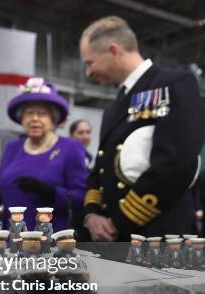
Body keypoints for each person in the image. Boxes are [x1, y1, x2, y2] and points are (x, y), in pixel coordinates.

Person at [80, 16, 204, 241]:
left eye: (90, 63)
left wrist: (119, 222)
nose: (88, 73)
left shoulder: (175, 83)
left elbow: (176, 163)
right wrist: (91, 214)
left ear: (114, 50)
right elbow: (100, 167)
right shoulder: (113, 107)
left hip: (161, 238)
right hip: (113, 238)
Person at [0, 77, 88, 232]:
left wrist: (51, 192)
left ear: (53, 119)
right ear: (22, 118)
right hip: (12, 239)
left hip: (50, 241)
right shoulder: (13, 148)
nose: (35, 119)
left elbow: (80, 197)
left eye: (42, 113)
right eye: (29, 113)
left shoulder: (70, 147)